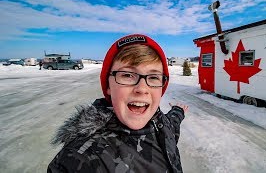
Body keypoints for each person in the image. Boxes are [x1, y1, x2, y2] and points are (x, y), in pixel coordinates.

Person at [47, 34, 189, 173]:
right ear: (108, 86)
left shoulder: (161, 123)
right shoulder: (83, 157)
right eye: (127, 75)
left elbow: (171, 124)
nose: (142, 89)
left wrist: (178, 111)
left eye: (153, 77)